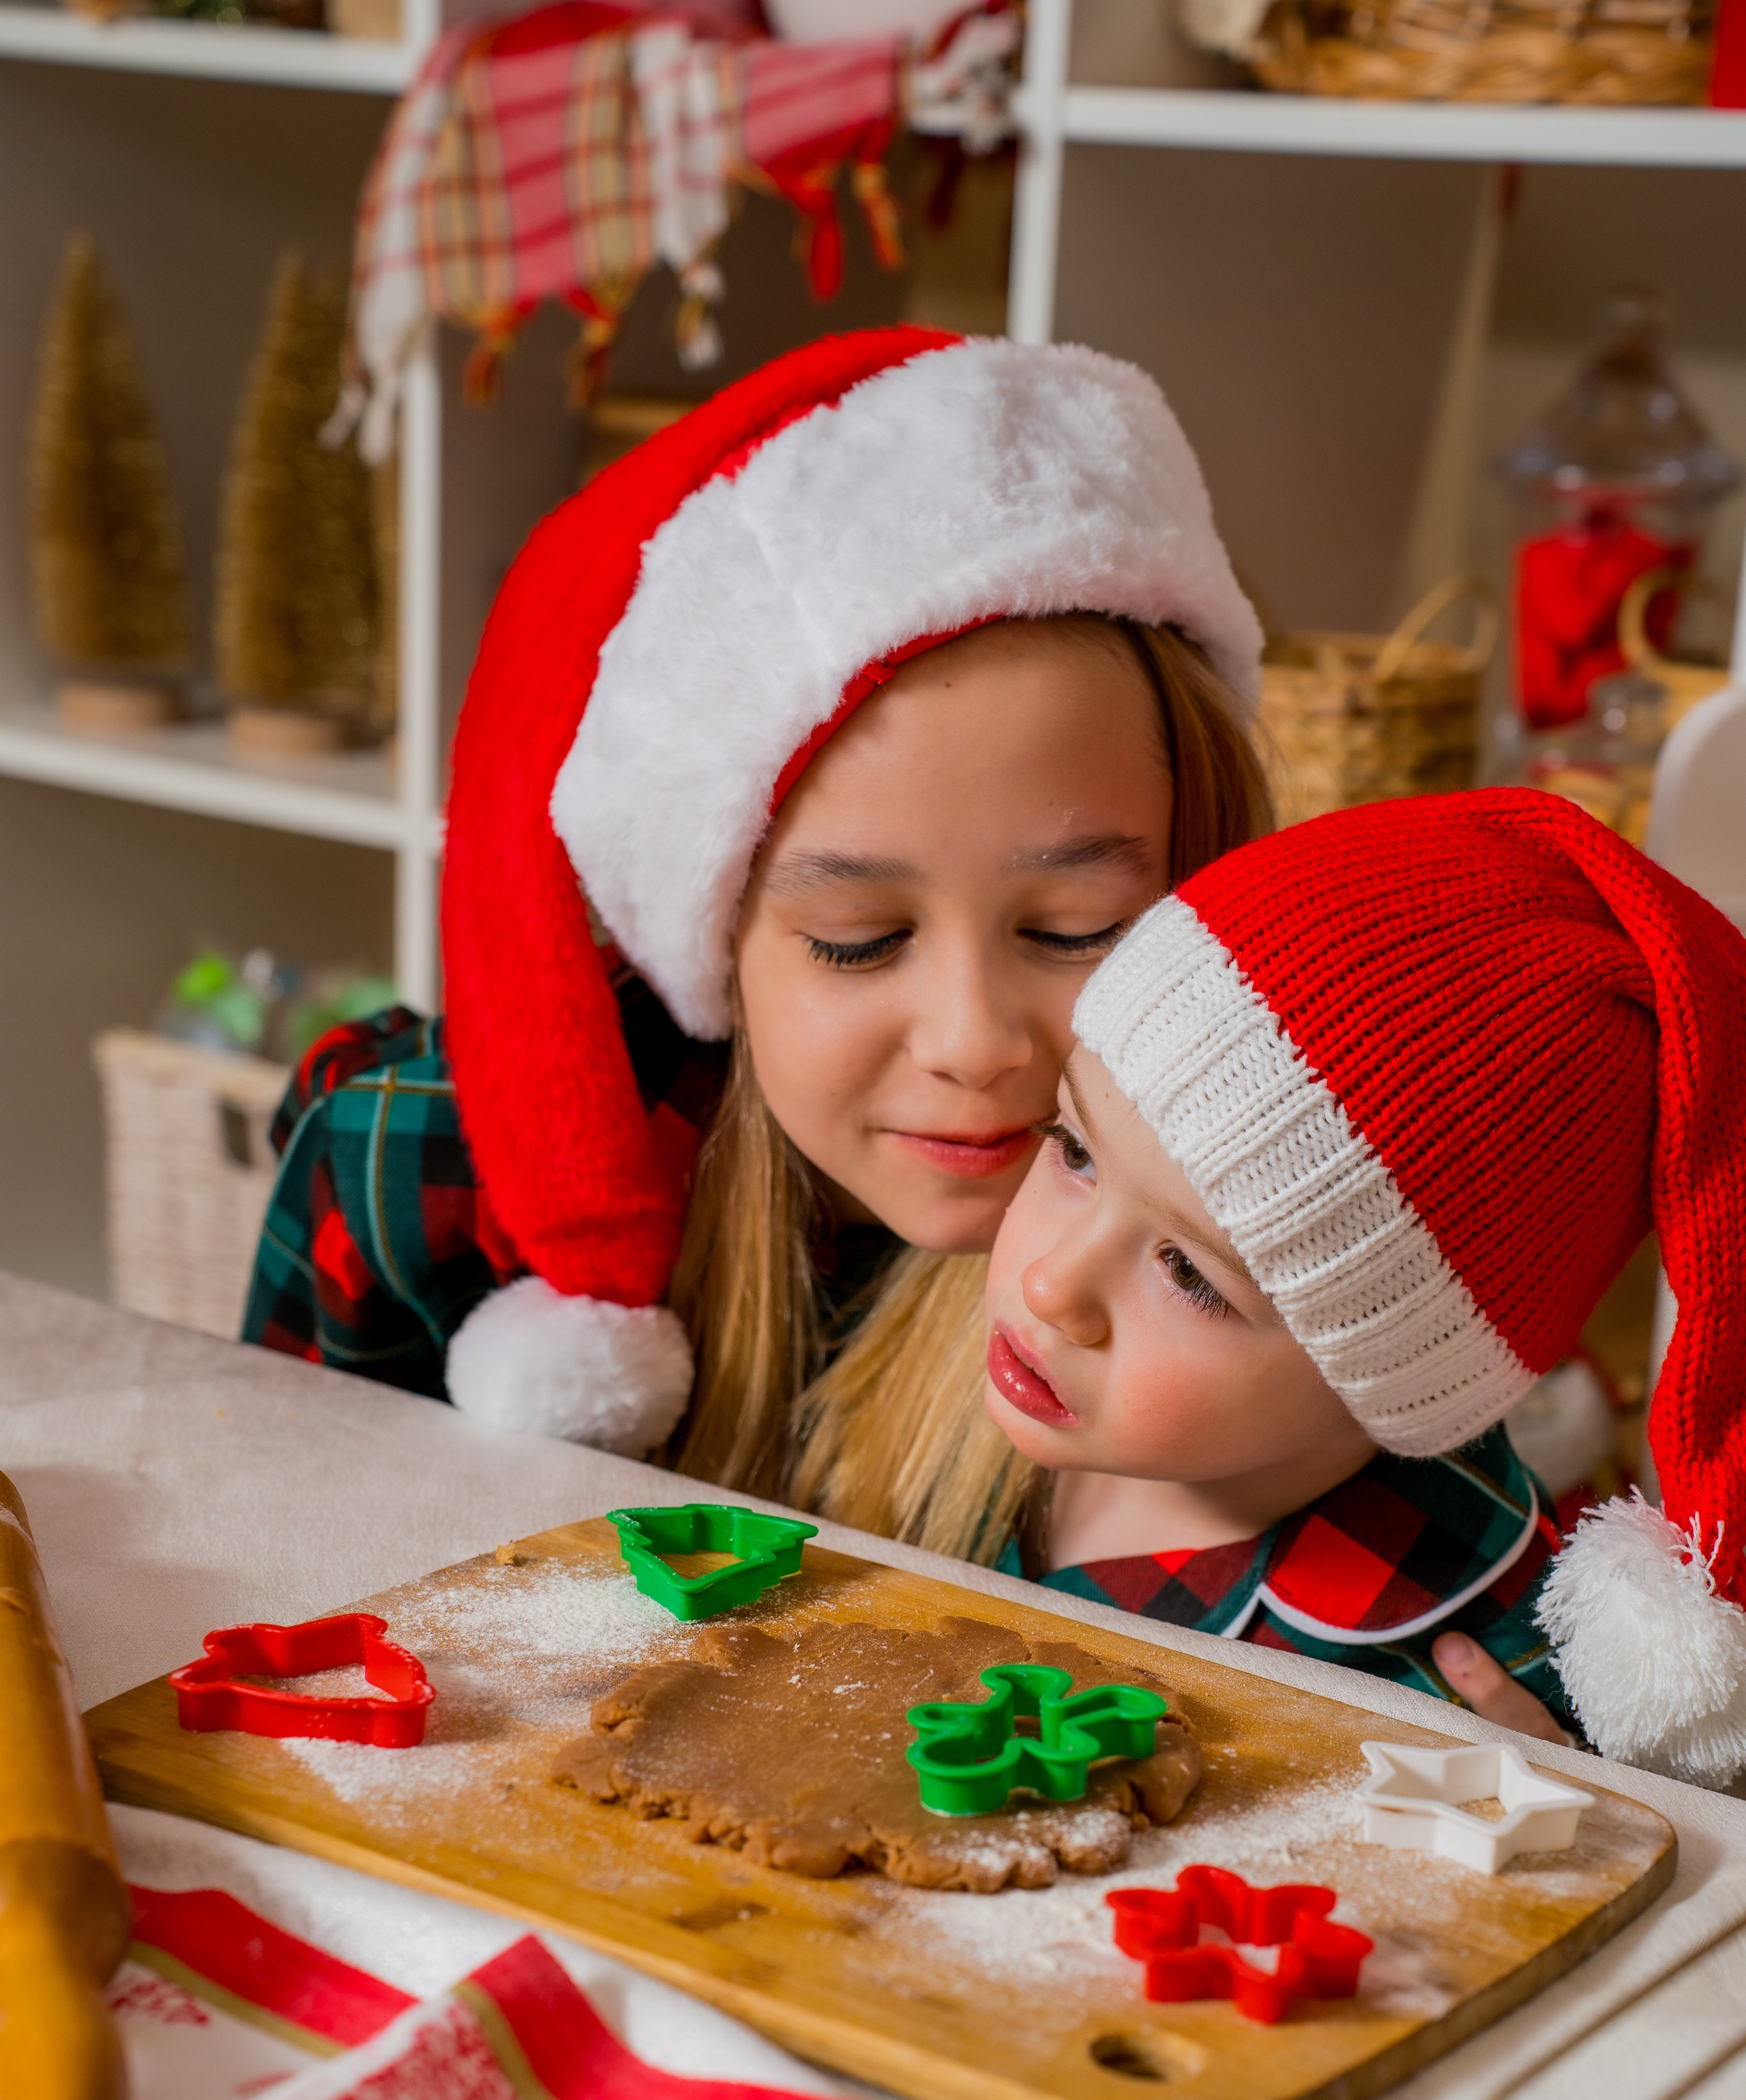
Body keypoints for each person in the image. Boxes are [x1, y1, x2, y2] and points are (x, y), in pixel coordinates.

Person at [243, 325, 1269, 1560]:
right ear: (717, 934)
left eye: (1074, 930)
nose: (975, 1042)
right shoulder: (415, 1179)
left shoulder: (1263, 1232)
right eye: (857, 939)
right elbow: (258, 1571)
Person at [980, 788, 1746, 1780]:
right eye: (1075, 1150)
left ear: (1392, 1380)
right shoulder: (969, 1397)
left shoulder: (1446, 1700)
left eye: (1188, 1273)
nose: (1049, 1286)